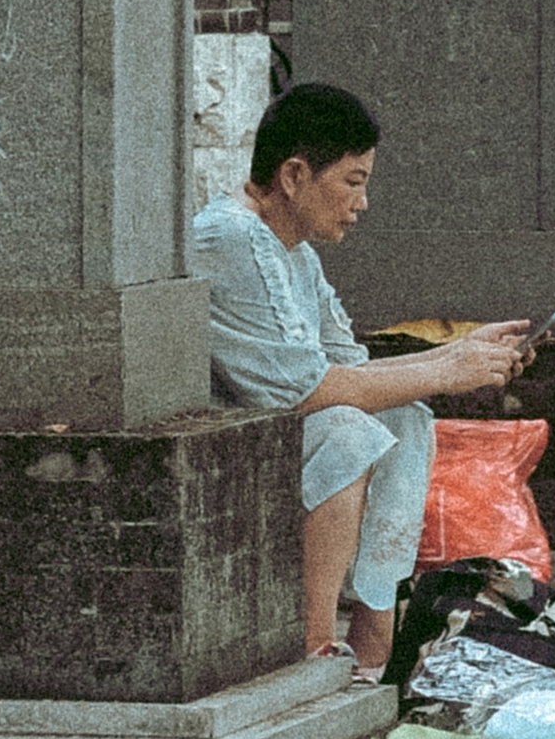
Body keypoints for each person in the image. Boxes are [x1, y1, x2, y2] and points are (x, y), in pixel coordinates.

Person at [188, 82, 533, 673]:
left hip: (280, 420)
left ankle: (377, 642)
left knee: (404, 414)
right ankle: (314, 646)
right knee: (347, 431)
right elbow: (304, 391)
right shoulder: (232, 236)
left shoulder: (292, 248)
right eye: (353, 181)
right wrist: (447, 368)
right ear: (294, 175)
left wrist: (460, 355)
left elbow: (347, 368)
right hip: (226, 433)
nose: (362, 203)